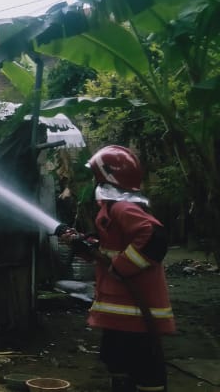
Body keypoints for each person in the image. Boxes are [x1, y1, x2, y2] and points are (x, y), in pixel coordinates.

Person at [62, 145, 174, 392]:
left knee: (145, 368)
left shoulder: (122, 207)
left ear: (106, 178)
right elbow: (110, 248)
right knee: (118, 362)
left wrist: (123, 267)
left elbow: (154, 237)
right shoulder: (115, 207)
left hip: (135, 308)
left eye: (95, 176)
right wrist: (84, 244)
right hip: (124, 309)